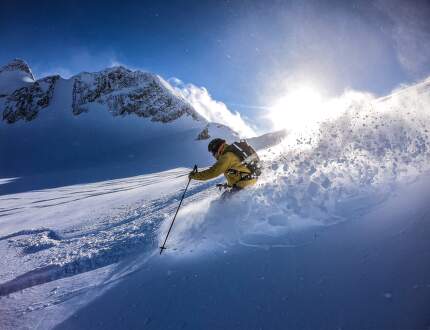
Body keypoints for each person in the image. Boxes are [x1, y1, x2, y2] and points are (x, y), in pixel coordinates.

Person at [189, 138, 258, 197]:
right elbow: (238, 171)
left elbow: (212, 172)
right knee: (225, 198)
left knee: (224, 202)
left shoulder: (227, 157)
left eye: (213, 152)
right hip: (248, 181)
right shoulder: (230, 154)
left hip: (244, 183)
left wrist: (194, 176)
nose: (213, 155)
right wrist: (228, 185)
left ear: (217, 148)